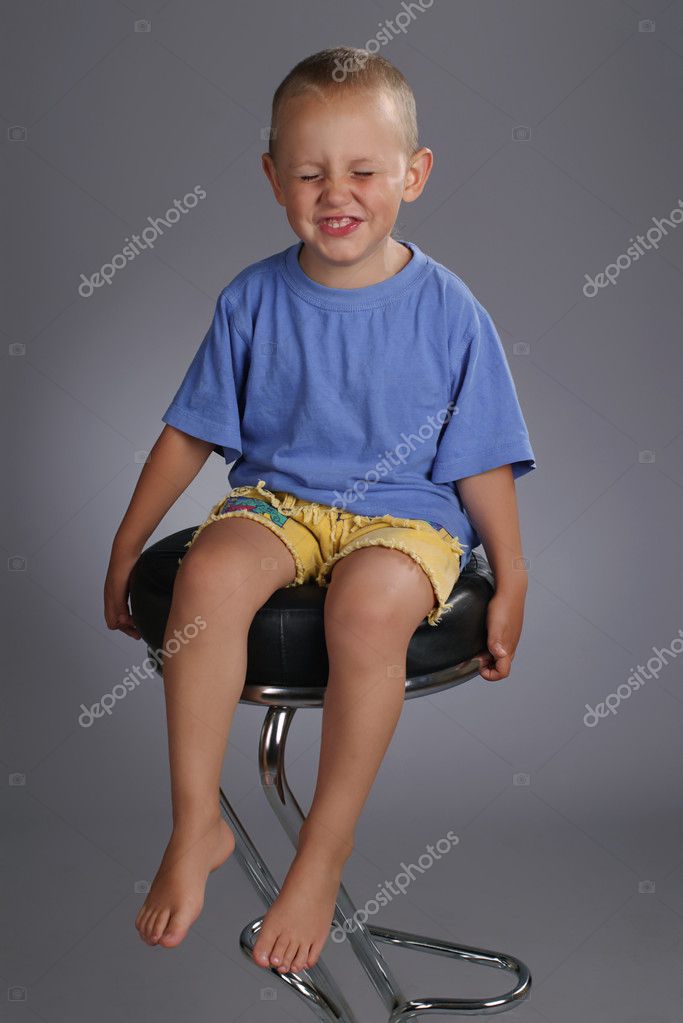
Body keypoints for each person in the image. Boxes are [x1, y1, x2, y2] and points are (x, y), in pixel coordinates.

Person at [103, 45, 537, 977]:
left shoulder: (449, 310)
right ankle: (196, 820)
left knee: (367, 606)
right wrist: (126, 546)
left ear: (413, 174)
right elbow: (187, 433)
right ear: (273, 179)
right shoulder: (252, 298)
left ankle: (323, 851)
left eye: (363, 171)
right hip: (282, 503)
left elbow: (483, 457)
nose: (335, 192)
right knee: (210, 572)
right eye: (309, 173)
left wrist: (512, 577)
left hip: (405, 518)